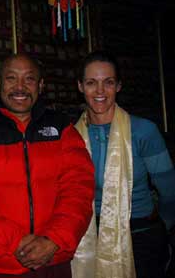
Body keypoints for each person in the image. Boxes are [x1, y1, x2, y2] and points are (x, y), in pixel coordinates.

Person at [0, 53, 95, 278]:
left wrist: (53, 239)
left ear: (40, 85)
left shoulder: (62, 129)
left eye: (29, 79)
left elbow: (79, 189)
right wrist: (17, 242)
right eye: (11, 78)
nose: (20, 87)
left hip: (53, 260)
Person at [72, 50, 175, 278]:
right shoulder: (71, 136)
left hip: (140, 236)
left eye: (108, 82)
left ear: (118, 86)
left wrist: (163, 228)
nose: (100, 91)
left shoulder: (143, 131)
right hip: (87, 237)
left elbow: (169, 191)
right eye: (91, 83)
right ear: (80, 86)